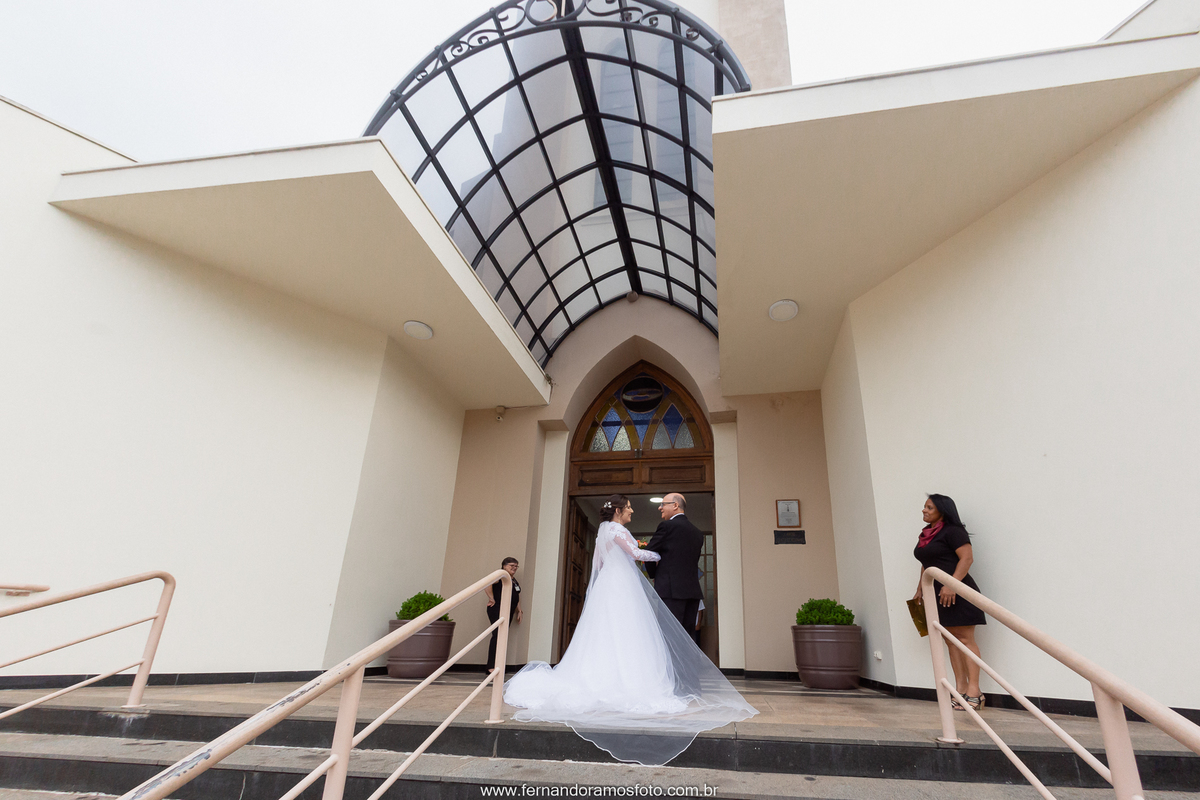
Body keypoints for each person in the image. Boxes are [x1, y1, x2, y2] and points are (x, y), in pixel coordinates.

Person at [503, 494, 757, 766]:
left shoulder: (604, 533)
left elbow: (599, 564)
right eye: (629, 508)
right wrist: (661, 554)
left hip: (609, 586)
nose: (633, 511)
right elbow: (636, 553)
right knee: (629, 633)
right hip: (621, 588)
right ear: (619, 511)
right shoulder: (617, 529)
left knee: (607, 635)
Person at [912, 494, 987, 710]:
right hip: (937, 593)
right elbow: (928, 562)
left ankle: (975, 691)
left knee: (965, 639)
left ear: (942, 511)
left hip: (957, 591)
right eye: (924, 507)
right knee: (951, 641)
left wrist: (951, 585)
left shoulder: (953, 531)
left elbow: (967, 558)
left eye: (929, 508)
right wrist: (920, 589)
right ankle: (960, 689)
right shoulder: (926, 535)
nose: (924, 511)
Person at [643, 493, 705, 634]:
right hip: (692, 592)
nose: (660, 508)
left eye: (663, 504)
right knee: (687, 638)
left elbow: (649, 553)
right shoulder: (697, 533)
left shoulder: (667, 526)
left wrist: (654, 574)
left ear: (675, 505)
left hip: (670, 591)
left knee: (670, 637)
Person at [484, 557, 522, 673]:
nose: (514, 568)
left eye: (516, 566)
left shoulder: (513, 580)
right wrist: (491, 598)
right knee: (497, 635)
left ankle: (498, 665)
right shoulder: (500, 576)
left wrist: (519, 611)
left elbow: (516, 596)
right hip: (497, 609)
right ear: (504, 566)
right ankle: (491, 666)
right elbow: (487, 584)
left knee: (503, 637)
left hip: (509, 610)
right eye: (512, 566)